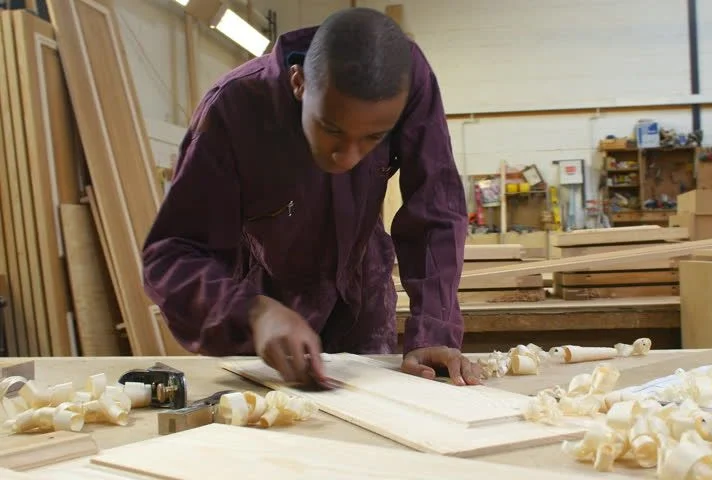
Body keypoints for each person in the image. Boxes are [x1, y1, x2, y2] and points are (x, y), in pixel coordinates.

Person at [142, 7, 483, 387]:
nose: (348, 157)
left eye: (372, 139)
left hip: (362, 291)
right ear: (299, 82)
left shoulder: (408, 81)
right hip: (267, 304)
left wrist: (434, 328)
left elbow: (435, 208)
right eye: (331, 129)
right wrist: (250, 312)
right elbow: (172, 254)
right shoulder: (233, 109)